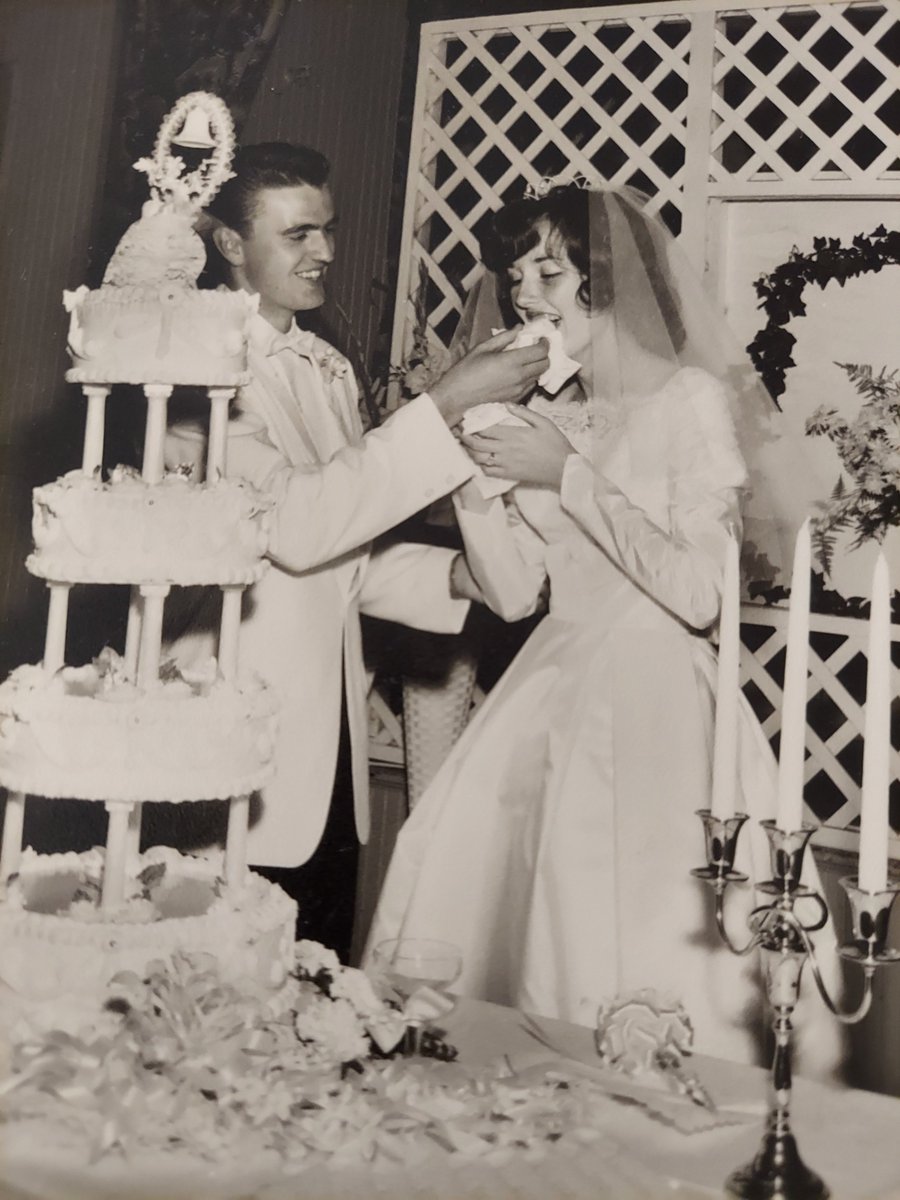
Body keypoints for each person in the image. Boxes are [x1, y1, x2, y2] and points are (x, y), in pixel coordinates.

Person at [364, 180, 843, 1073]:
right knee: (510, 917)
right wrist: (476, 486)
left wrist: (572, 474)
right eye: (517, 275)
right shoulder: (556, 414)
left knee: (632, 923)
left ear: (607, 281)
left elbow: (700, 593)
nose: (524, 294)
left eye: (549, 269)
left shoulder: (688, 401)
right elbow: (512, 595)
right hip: (548, 688)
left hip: (658, 696)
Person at [164, 143, 548, 962]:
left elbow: (345, 556)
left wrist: (450, 577)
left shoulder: (328, 367)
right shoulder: (189, 374)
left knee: (317, 981)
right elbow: (297, 528)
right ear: (230, 244)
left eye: (328, 231)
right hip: (230, 737)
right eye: (298, 234)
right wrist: (444, 405)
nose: (326, 253)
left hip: (326, 736)